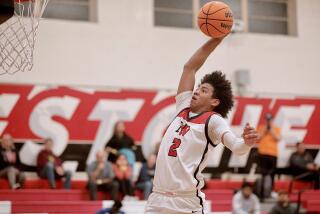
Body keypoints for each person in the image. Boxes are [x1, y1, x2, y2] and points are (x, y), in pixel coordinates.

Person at [144, 38, 260, 214]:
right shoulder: (182, 107)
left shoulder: (213, 120)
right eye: (198, 87)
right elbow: (189, 67)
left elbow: (237, 147)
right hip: (157, 199)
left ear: (215, 101)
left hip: (186, 202)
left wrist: (247, 143)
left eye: (204, 90)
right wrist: (217, 38)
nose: (197, 91)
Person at [256, 113, 281, 200]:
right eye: (267, 119)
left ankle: (271, 191)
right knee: (262, 174)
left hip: (273, 154)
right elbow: (258, 138)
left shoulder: (276, 128)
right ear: (265, 120)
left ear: (272, 120)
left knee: (272, 174)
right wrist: (265, 130)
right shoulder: (261, 127)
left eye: (270, 119)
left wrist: (271, 130)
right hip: (263, 153)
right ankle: (262, 193)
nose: (268, 121)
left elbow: (278, 138)